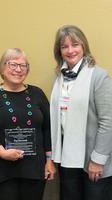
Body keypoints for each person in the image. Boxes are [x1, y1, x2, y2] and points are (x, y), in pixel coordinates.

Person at [0, 48, 56, 200]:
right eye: (13, 64)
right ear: (3, 68)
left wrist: (49, 161)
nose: (18, 69)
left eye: (23, 65)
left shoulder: (37, 93)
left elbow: (48, 128)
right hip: (1, 169)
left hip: (34, 169)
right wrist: (2, 152)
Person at [50, 25, 112, 200]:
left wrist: (98, 160)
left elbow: (108, 122)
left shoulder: (99, 76)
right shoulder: (58, 76)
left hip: (92, 158)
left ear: (83, 46)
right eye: (64, 46)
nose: (70, 50)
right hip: (67, 157)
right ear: (59, 51)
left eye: (75, 44)